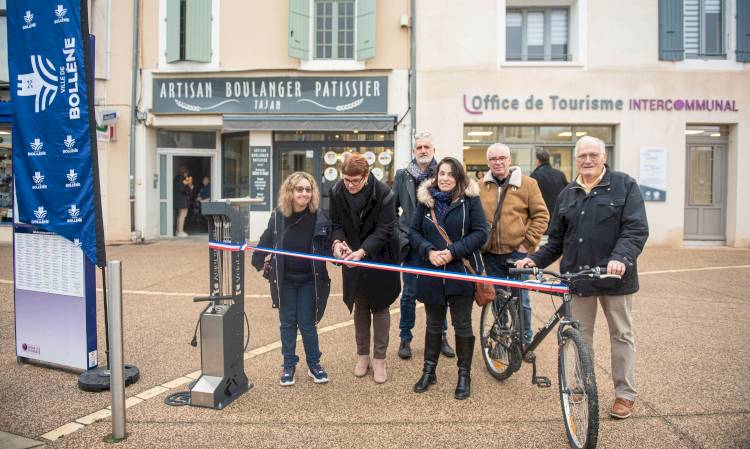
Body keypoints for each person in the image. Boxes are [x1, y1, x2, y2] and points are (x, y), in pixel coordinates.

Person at [516, 135, 649, 419]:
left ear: (603, 157)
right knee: (577, 336)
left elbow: (635, 229)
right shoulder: (567, 194)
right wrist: (534, 258)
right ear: (576, 159)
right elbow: (556, 241)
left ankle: (624, 395)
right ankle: (577, 386)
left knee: (622, 335)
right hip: (578, 277)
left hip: (616, 277)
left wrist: (620, 258)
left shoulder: (625, 186)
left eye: (593, 155)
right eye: (582, 156)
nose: (588, 160)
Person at [410, 157, 488, 400]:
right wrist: (428, 251)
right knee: (433, 324)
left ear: (458, 178)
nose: (444, 178)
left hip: (460, 272)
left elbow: (481, 233)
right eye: (441, 173)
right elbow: (413, 232)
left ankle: (464, 375)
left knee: (462, 324)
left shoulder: (470, 201)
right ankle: (429, 371)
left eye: (450, 174)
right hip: (432, 272)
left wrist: (453, 252)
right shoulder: (426, 201)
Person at [251, 172, 332, 386]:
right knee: (287, 323)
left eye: (308, 189)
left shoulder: (318, 217)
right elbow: (267, 240)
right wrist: (259, 260)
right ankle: (289, 364)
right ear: (290, 192)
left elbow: (328, 245)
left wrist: (342, 255)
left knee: (307, 323)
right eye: (300, 189)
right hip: (284, 280)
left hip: (309, 280)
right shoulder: (278, 216)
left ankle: (314, 364)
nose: (305, 193)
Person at [329, 152, 401, 384]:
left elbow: (385, 229)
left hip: (381, 256)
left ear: (367, 176)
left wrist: (363, 251)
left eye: (355, 181)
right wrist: (337, 242)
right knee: (359, 305)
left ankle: (379, 359)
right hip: (352, 255)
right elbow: (335, 223)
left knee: (380, 306)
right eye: (346, 180)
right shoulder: (337, 191)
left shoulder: (385, 194)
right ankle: (363, 356)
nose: (349, 185)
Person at [392, 131, 454, 360]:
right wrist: (401, 236)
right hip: (411, 246)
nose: (423, 151)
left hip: (438, 246)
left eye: (427, 147)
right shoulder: (403, 175)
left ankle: (442, 337)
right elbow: (392, 209)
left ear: (434, 150)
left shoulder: (445, 174)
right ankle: (405, 338)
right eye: (419, 148)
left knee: (440, 293)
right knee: (408, 294)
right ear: (414, 151)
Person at [479, 143, 548, 349]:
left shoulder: (528, 184)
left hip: (518, 255)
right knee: (497, 298)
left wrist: (526, 244)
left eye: (502, 158)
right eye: (493, 159)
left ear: (509, 160)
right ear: (488, 162)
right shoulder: (480, 186)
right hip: (490, 254)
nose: (498, 162)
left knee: (521, 299)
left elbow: (541, 215)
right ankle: (502, 335)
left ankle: (525, 338)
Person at [529, 148, 568, 234]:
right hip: (559, 217)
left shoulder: (535, 176)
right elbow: (567, 194)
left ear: (537, 161)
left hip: (541, 219)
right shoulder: (560, 174)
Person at [173, 166, 193, 237]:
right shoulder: (180, 179)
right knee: (182, 215)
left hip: (180, 200)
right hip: (182, 200)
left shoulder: (177, 178)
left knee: (180, 215)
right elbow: (182, 189)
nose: (187, 175)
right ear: (184, 173)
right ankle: (180, 231)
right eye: (186, 173)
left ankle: (178, 231)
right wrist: (189, 187)